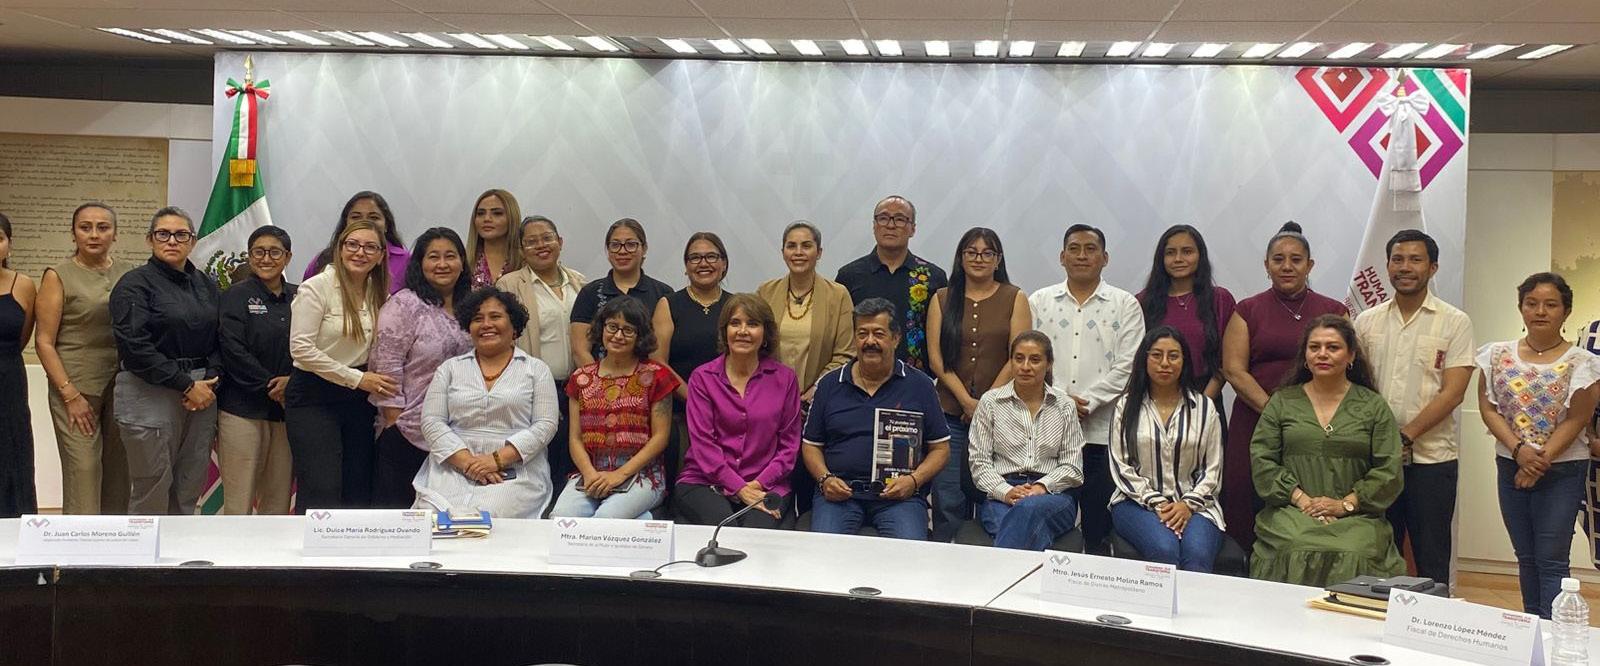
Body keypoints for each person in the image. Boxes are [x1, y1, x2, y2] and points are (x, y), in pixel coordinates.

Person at [1352, 229, 1473, 587]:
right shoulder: (1366, 321)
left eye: (1415, 260)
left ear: (1433, 268)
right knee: (1374, 552)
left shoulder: (1455, 321)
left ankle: (1433, 619)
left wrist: (1404, 436)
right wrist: (1383, 442)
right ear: (1388, 266)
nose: (1405, 267)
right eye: (1398, 259)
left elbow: (1453, 393)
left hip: (1431, 461)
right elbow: (1356, 388)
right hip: (1374, 461)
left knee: (1431, 557)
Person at [1477, 273, 1600, 618]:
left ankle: (1552, 633)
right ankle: (1531, 629)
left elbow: (1578, 418)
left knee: (1552, 558)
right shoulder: (1496, 354)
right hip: (1510, 466)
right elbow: (1488, 409)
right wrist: (1519, 452)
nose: (1540, 311)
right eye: (1531, 303)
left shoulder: (1583, 362)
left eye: (1550, 304)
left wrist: (1537, 462)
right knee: (1526, 556)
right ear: (1521, 308)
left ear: (1566, 311)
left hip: (1563, 470)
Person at [1249, 314, 1405, 587]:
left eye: (1333, 347)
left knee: (1353, 551)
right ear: (1305, 356)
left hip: (1358, 515)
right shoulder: (1282, 402)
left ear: (1351, 355)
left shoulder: (1374, 406)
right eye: (1314, 347)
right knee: (1296, 544)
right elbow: (1263, 459)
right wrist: (1302, 500)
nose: (1322, 354)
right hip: (1291, 510)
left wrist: (1345, 505)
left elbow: (1389, 469)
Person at [1221, 221, 1348, 548]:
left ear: (1310, 265)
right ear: (1266, 265)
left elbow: (1346, 364)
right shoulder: (1247, 310)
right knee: (1244, 496)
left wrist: (1300, 417)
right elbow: (1234, 370)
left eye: (1296, 259)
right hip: (1255, 419)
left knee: (1308, 499)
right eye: (1278, 259)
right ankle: (1244, 567)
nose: (1287, 266)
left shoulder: (1334, 311)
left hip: (1316, 424)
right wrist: (1274, 411)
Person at [1027, 223, 1144, 553]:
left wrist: (1089, 401)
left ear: (1105, 258)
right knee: (1049, 521)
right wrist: (1062, 401)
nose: (1082, 255)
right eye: (1074, 249)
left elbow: (1129, 365)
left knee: (1098, 527)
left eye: (1090, 249)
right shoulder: (1039, 302)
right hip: (1049, 431)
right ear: (1061, 256)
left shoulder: (1125, 305)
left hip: (1103, 434)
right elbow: (1029, 358)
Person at [802, 298, 952, 540]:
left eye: (878, 334)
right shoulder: (830, 384)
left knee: (910, 553)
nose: (869, 341)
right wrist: (825, 479)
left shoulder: (920, 385)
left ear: (896, 338)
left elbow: (941, 449)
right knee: (824, 554)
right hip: (840, 495)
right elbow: (811, 446)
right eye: (862, 334)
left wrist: (914, 481)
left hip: (900, 497)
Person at [109, 207, 222, 515]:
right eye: (163, 234)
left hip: (201, 393)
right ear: (150, 240)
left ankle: (179, 545)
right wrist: (186, 385)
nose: (172, 241)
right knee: (152, 485)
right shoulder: (133, 285)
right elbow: (135, 347)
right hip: (150, 389)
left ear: (193, 241)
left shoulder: (206, 285)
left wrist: (209, 381)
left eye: (181, 235)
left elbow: (219, 337)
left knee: (190, 483)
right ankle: (145, 548)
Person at [413, 287, 559, 518]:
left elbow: (545, 425)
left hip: (515, 469)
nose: (486, 324)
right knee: (434, 514)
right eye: (477, 319)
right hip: (453, 464)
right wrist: (469, 463)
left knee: (491, 516)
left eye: (495, 316)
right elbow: (432, 422)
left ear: (514, 326)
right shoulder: (450, 369)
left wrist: (496, 460)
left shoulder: (536, 370)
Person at [926, 227, 1030, 542]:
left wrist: (985, 404)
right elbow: (937, 360)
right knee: (947, 494)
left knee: (995, 493)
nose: (979, 259)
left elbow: (1017, 357)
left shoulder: (1015, 297)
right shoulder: (942, 298)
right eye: (971, 252)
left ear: (998, 260)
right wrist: (965, 400)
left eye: (987, 253)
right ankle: (946, 557)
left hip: (1001, 416)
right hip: (949, 414)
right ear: (961, 258)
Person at [286, 219, 397, 511]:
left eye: (370, 247)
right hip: (313, 396)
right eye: (353, 245)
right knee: (321, 487)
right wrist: (356, 379)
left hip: (359, 400)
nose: (360, 252)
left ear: (381, 256)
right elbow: (301, 349)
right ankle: (312, 543)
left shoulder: (380, 293)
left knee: (357, 486)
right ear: (340, 248)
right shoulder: (316, 288)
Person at [33, 202, 130, 514]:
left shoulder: (128, 273)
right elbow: (43, 341)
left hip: (121, 384)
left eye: (103, 227)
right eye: (85, 227)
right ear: (73, 233)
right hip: (76, 386)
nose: (94, 235)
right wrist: (70, 394)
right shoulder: (58, 275)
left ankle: (113, 543)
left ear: (115, 234)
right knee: (84, 471)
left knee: (119, 472)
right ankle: (80, 543)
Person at [754, 221, 855, 517]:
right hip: (770, 403)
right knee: (775, 480)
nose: (798, 252)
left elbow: (845, 353)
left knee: (810, 483)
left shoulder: (838, 295)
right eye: (792, 246)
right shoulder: (765, 292)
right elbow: (754, 347)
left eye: (806, 246)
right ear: (783, 251)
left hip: (817, 404)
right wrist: (783, 396)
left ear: (819, 252)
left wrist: (809, 395)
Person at [675, 294, 801, 527]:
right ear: (725, 331)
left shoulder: (785, 379)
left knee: (753, 535)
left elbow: (789, 447)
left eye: (752, 324)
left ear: (765, 334)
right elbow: (704, 446)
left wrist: (755, 486)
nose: (743, 331)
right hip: (704, 482)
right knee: (726, 530)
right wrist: (739, 488)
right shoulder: (703, 378)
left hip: (767, 483)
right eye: (735, 323)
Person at [368, 228, 472, 507]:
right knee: (400, 518)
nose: (442, 264)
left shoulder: (473, 306)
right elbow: (386, 366)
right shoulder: (404, 304)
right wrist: (395, 420)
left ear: (462, 262)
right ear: (420, 263)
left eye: (450, 256)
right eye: (433, 257)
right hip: (409, 432)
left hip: (462, 433)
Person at [1108, 327, 1226, 572]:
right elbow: (1121, 467)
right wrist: (1159, 504)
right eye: (1156, 355)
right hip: (1135, 503)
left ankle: (1193, 601)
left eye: (1173, 356)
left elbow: (1212, 470)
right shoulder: (1126, 406)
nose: (1165, 363)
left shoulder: (1204, 408)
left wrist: (1186, 505)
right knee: (1164, 549)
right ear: (1144, 359)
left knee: (1197, 554)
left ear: (1184, 361)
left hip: (1198, 505)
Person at [552, 297, 679, 518]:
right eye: (612, 327)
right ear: (602, 328)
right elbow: (575, 438)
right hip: (590, 473)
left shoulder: (657, 376)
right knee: (561, 519)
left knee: (606, 519)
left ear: (640, 335)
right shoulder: (581, 378)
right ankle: (640, 522)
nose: (618, 336)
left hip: (642, 475)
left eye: (628, 330)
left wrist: (619, 475)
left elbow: (660, 438)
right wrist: (590, 474)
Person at [497, 215, 587, 505]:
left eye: (547, 238)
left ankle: (562, 516)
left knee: (569, 458)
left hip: (577, 388)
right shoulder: (510, 285)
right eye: (532, 242)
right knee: (538, 457)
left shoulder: (579, 282)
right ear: (521, 250)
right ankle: (539, 513)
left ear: (559, 242)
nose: (541, 246)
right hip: (534, 387)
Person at [968, 331, 1084, 550]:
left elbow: (1073, 467)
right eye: (1019, 359)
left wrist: (1040, 487)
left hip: (1052, 495)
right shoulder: (990, 402)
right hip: (1003, 492)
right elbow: (979, 462)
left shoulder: (1064, 405)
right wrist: (1005, 491)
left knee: (1022, 515)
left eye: (1035, 360)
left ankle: (1003, 572)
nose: (1025, 366)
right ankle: (1032, 569)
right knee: (1019, 526)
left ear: (1049, 364)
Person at [216, 226, 297, 514]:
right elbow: (232, 349)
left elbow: (311, 347)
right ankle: (236, 546)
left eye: (274, 252)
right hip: (243, 408)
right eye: (258, 252)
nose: (266, 258)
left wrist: (292, 382)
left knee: (278, 498)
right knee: (239, 498)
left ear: (287, 257)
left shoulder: (301, 296)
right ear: (249, 256)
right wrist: (270, 385)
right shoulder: (234, 295)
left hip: (286, 409)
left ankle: (271, 547)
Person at [653, 232, 733, 497]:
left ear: (723, 263)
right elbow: (657, 361)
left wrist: (723, 404)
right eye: (695, 258)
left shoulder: (736, 305)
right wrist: (696, 399)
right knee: (687, 486)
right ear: (686, 266)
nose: (703, 263)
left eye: (711, 256)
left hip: (730, 412)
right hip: (681, 413)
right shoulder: (669, 304)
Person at [834, 196, 948, 372]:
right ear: (874, 226)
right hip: (860, 378)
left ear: (912, 229)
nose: (891, 225)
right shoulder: (849, 276)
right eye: (883, 218)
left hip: (917, 380)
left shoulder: (933, 277)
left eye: (900, 219)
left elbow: (945, 337)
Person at [1136, 225, 1236, 399]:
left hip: (1206, 395)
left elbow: (1226, 361)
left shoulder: (1220, 299)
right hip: (1154, 398)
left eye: (1187, 252)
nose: (1178, 259)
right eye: (1170, 253)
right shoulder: (1143, 301)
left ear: (1200, 256)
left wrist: (1203, 404)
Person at [569, 218, 674, 366]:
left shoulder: (663, 293)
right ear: (608, 250)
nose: (622, 251)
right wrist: (598, 379)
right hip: (600, 378)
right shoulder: (589, 293)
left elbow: (663, 352)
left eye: (631, 245)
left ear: (644, 248)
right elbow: (580, 351)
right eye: (615, 245)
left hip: (649, 378)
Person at [0, 213, 38, 517]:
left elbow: (22, 337)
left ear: (9, 245)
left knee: (12, 454)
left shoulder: (22, 284)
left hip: (8, 379)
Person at [302, 191, 409, 294]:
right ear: (346, 224)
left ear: (386, 225)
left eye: (374, 217)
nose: (364, 222)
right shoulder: (324, 259)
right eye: (356, 217)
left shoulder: (405, 261)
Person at [465, 189, 522, 288]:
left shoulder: (525, 261)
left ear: (512, 218)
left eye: (497, 213)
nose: (487, 219)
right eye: (480, 213)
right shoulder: (464, 263)